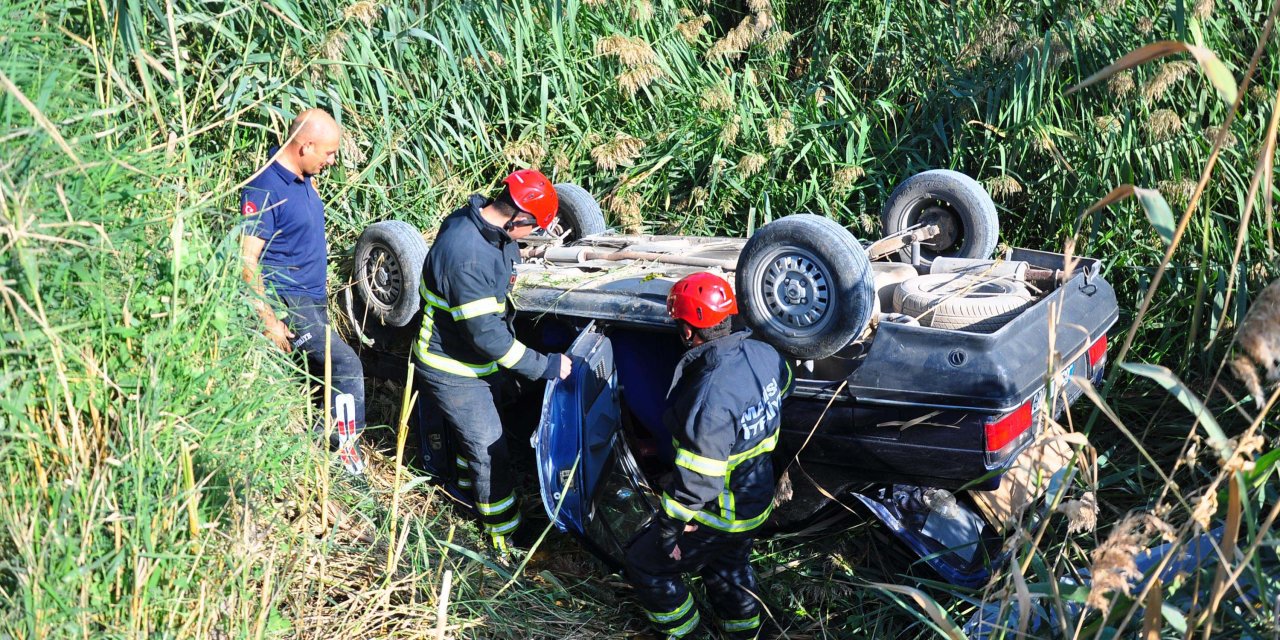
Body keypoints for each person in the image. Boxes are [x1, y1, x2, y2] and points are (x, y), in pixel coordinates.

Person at [624, 272, 793, 640]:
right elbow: (785, 383)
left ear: (688, 332)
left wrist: (670, 528)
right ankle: (746, 635)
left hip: (722, 514)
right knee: (727, 568)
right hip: (757, 498)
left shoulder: (709, 398)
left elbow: (700, 480)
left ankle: (688, 634)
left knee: (646, 565)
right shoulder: (765, 354)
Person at [413, 169, 572, 554]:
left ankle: (465, 497)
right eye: (531, 230)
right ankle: (505, 537)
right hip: (453, 367)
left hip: (475, 361)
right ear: (517, 218)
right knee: (489, 449)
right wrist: (544, 366)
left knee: (476, 439)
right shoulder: (467, 257)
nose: (528, 238)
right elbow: (488, 338)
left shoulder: (484, 225)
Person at [240, 108, 366, 475]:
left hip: (311, 297)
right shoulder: (265, 186)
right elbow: (246, 259)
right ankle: (344, 458)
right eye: (328, 152)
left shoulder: (302, 176)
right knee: (345, 365)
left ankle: (314, 452)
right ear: (304, 145)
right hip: (288, 300)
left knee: (321, 376)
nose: (333, 160)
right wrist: (268, 320)